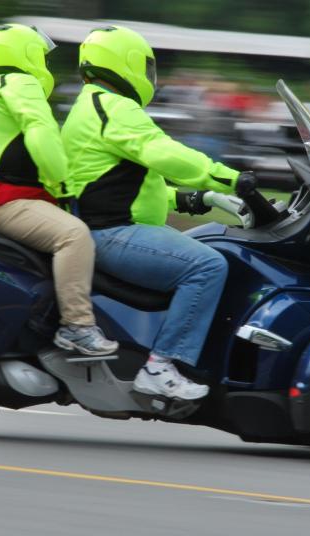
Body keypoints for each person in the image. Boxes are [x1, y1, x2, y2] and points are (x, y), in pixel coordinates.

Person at [61, 25, 253, 400]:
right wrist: (231, 180)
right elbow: (162, 152)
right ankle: (162, 365)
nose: (150, 77)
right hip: (112, 233)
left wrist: (197, 200)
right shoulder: (114, 106)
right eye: (147, 67)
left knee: (207, 248)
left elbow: (122, 185)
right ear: (126, 62)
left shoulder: (94, 104)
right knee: (208, 266)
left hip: (111, 225)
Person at [0, 23, 117, 356]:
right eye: (41, 57)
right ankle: (78, 327)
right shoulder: (20, 82)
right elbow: (41, 133)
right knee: (74, 235)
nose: (45, 67)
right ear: (26, 54)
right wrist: (63, 187)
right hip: (9, 201)